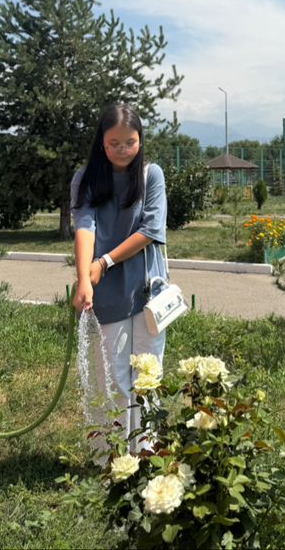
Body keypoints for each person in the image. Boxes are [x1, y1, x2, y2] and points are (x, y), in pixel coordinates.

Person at [71, 102, 168, 451]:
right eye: (113, 143)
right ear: (101, 143)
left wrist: (105, 262)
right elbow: (85, 226)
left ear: (140, 141)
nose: (122, 150)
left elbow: (151, 230)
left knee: (148, 372)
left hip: (148, 292)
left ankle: (145, 451)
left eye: (130, 142)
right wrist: (85, 277)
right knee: (113, 376)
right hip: (107, 294)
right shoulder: (86, 179)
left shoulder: (150, 175)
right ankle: (112, 453)